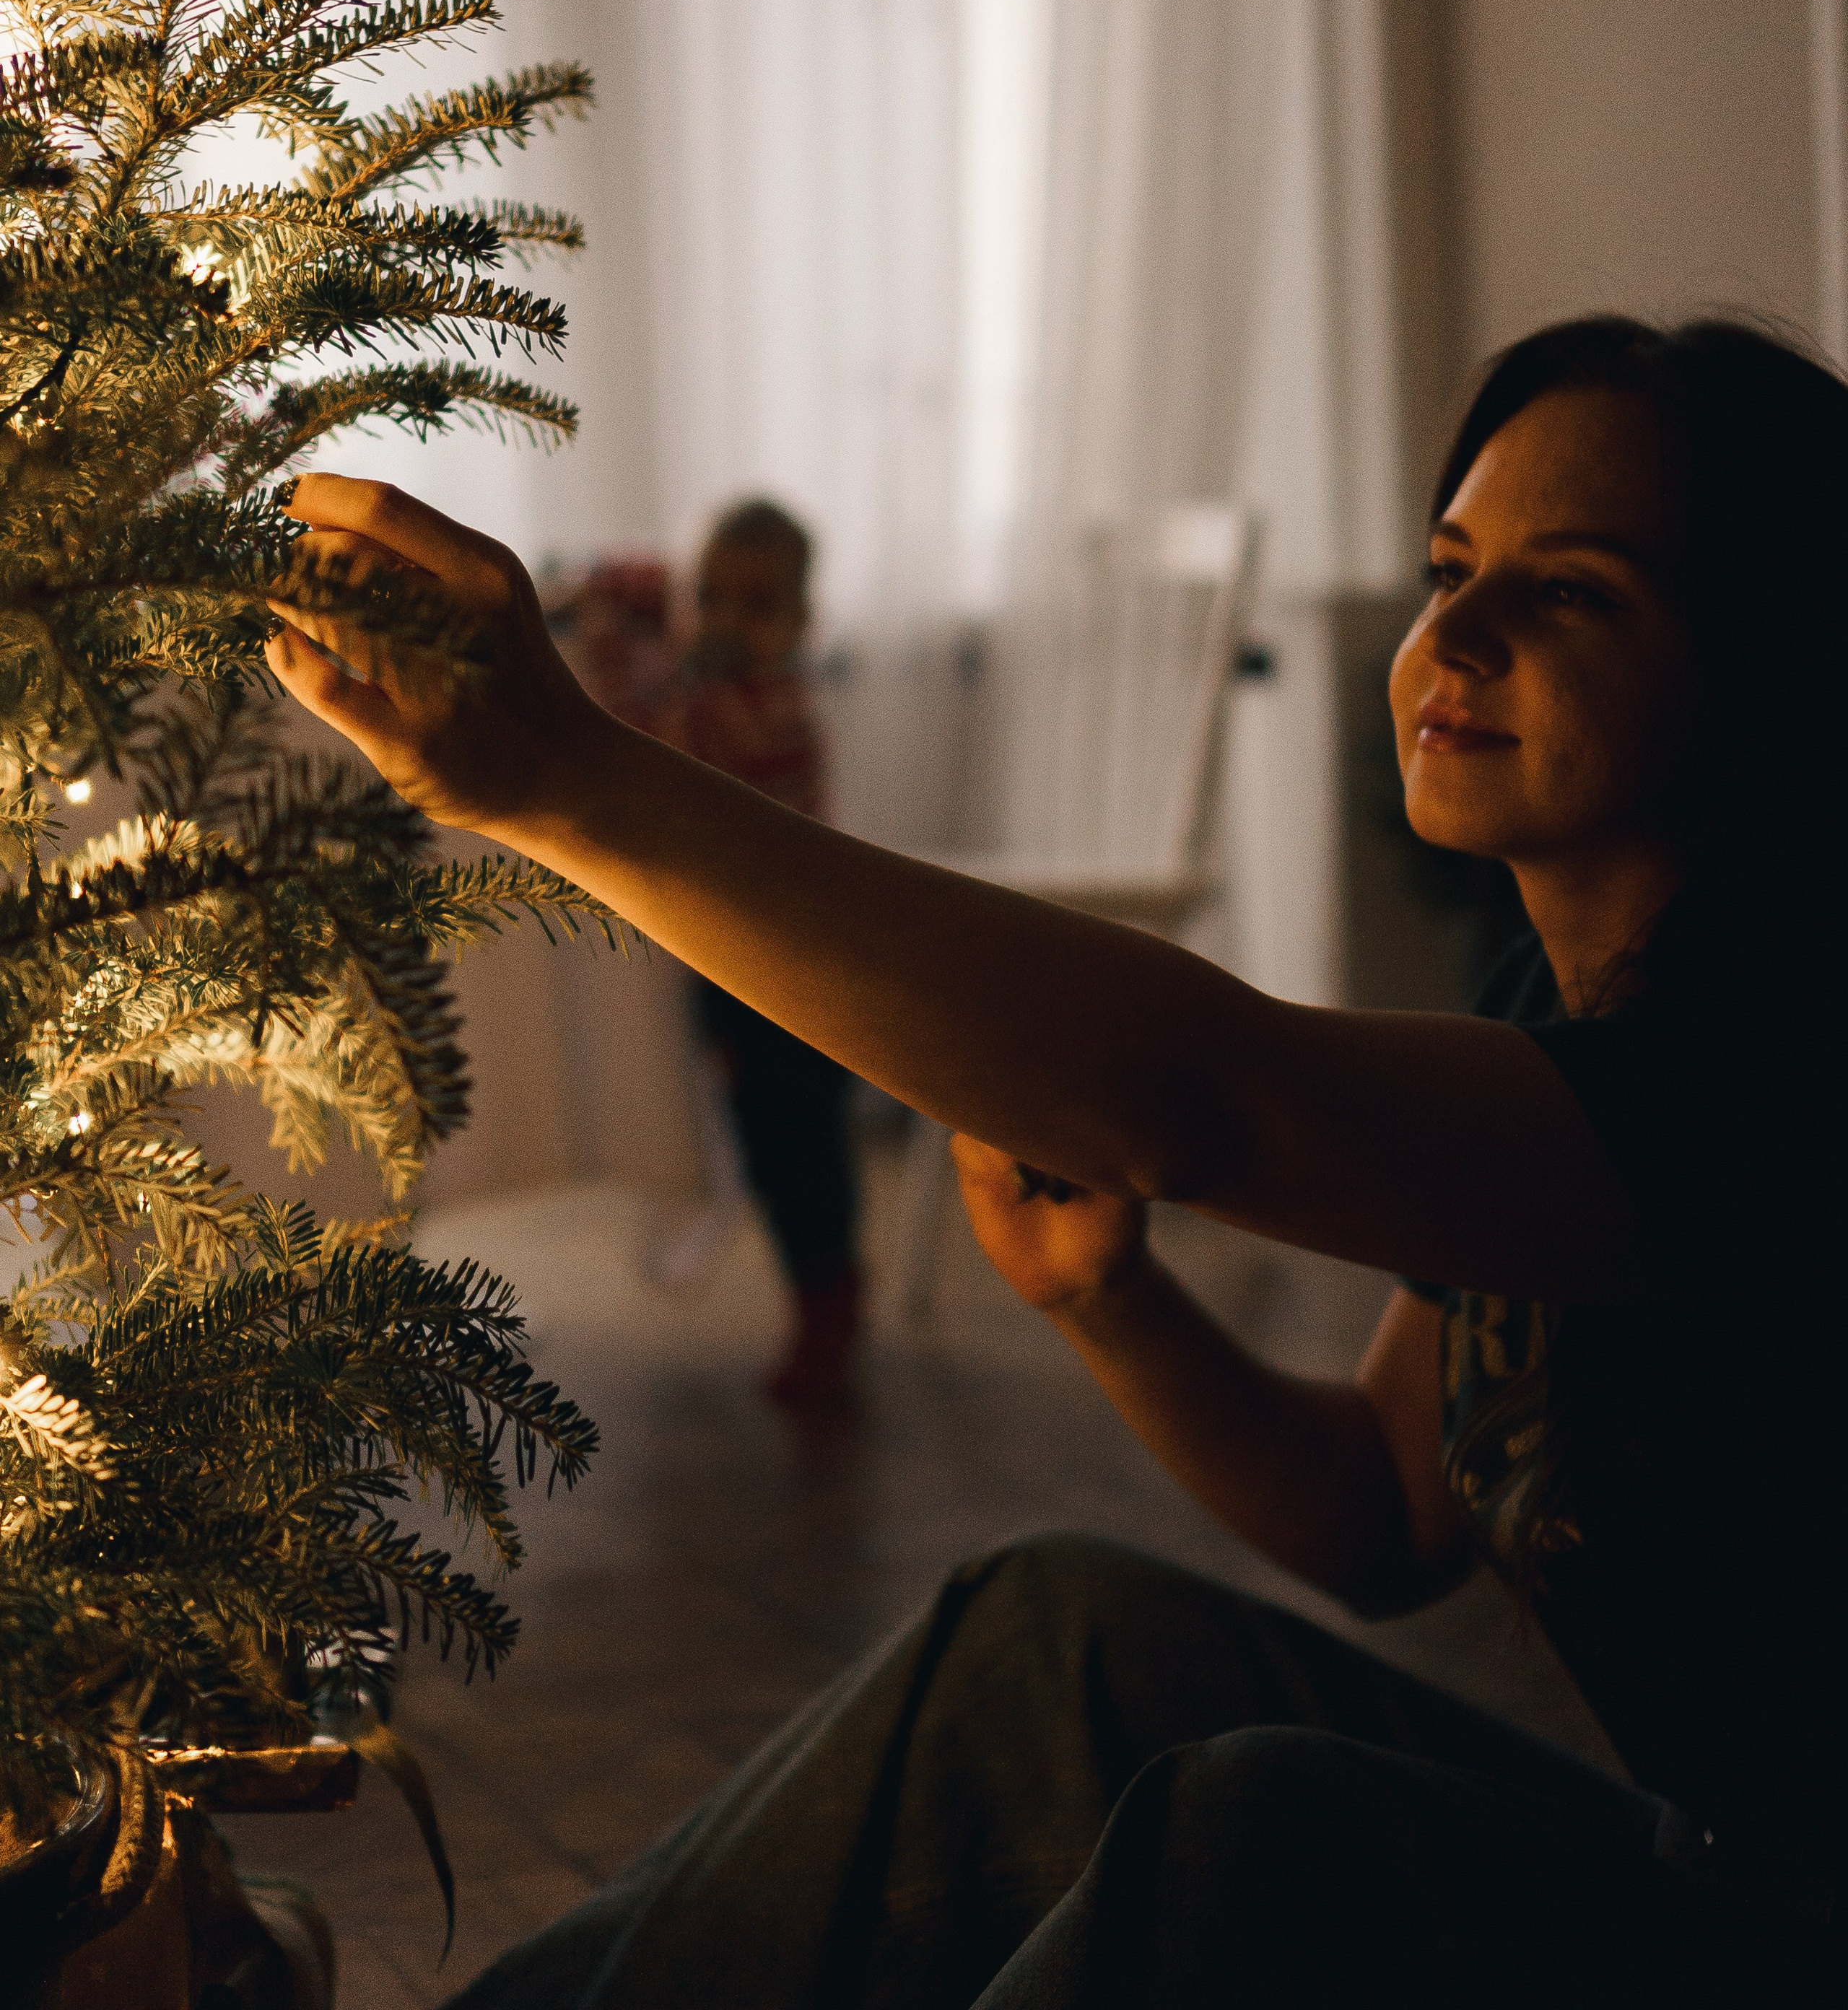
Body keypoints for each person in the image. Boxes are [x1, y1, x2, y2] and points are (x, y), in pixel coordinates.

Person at [269, 315, 1842, 2007]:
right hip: (1702, 1871)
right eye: (1448, 564)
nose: (1450, 630)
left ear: (1763, 671)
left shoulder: (1773, 1055)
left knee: (1270, 1833)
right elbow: (1386, 1509)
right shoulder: (1549, 990)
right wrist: (1114, 1302)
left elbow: (1202, 1093)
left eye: (1572, 590)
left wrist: (568, 779)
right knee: (1053, 1637)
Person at [658, 499, 863, 1404]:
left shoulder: (772, 709)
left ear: (803, 623)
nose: (728, 623)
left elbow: (689, 745)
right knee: (762, 1135)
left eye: (758, 604)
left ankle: (829, 1301)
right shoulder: (712, 691)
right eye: (710, 598)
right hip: (732, 957)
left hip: (800, 962)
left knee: (801, 1141)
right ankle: (815, 1291)